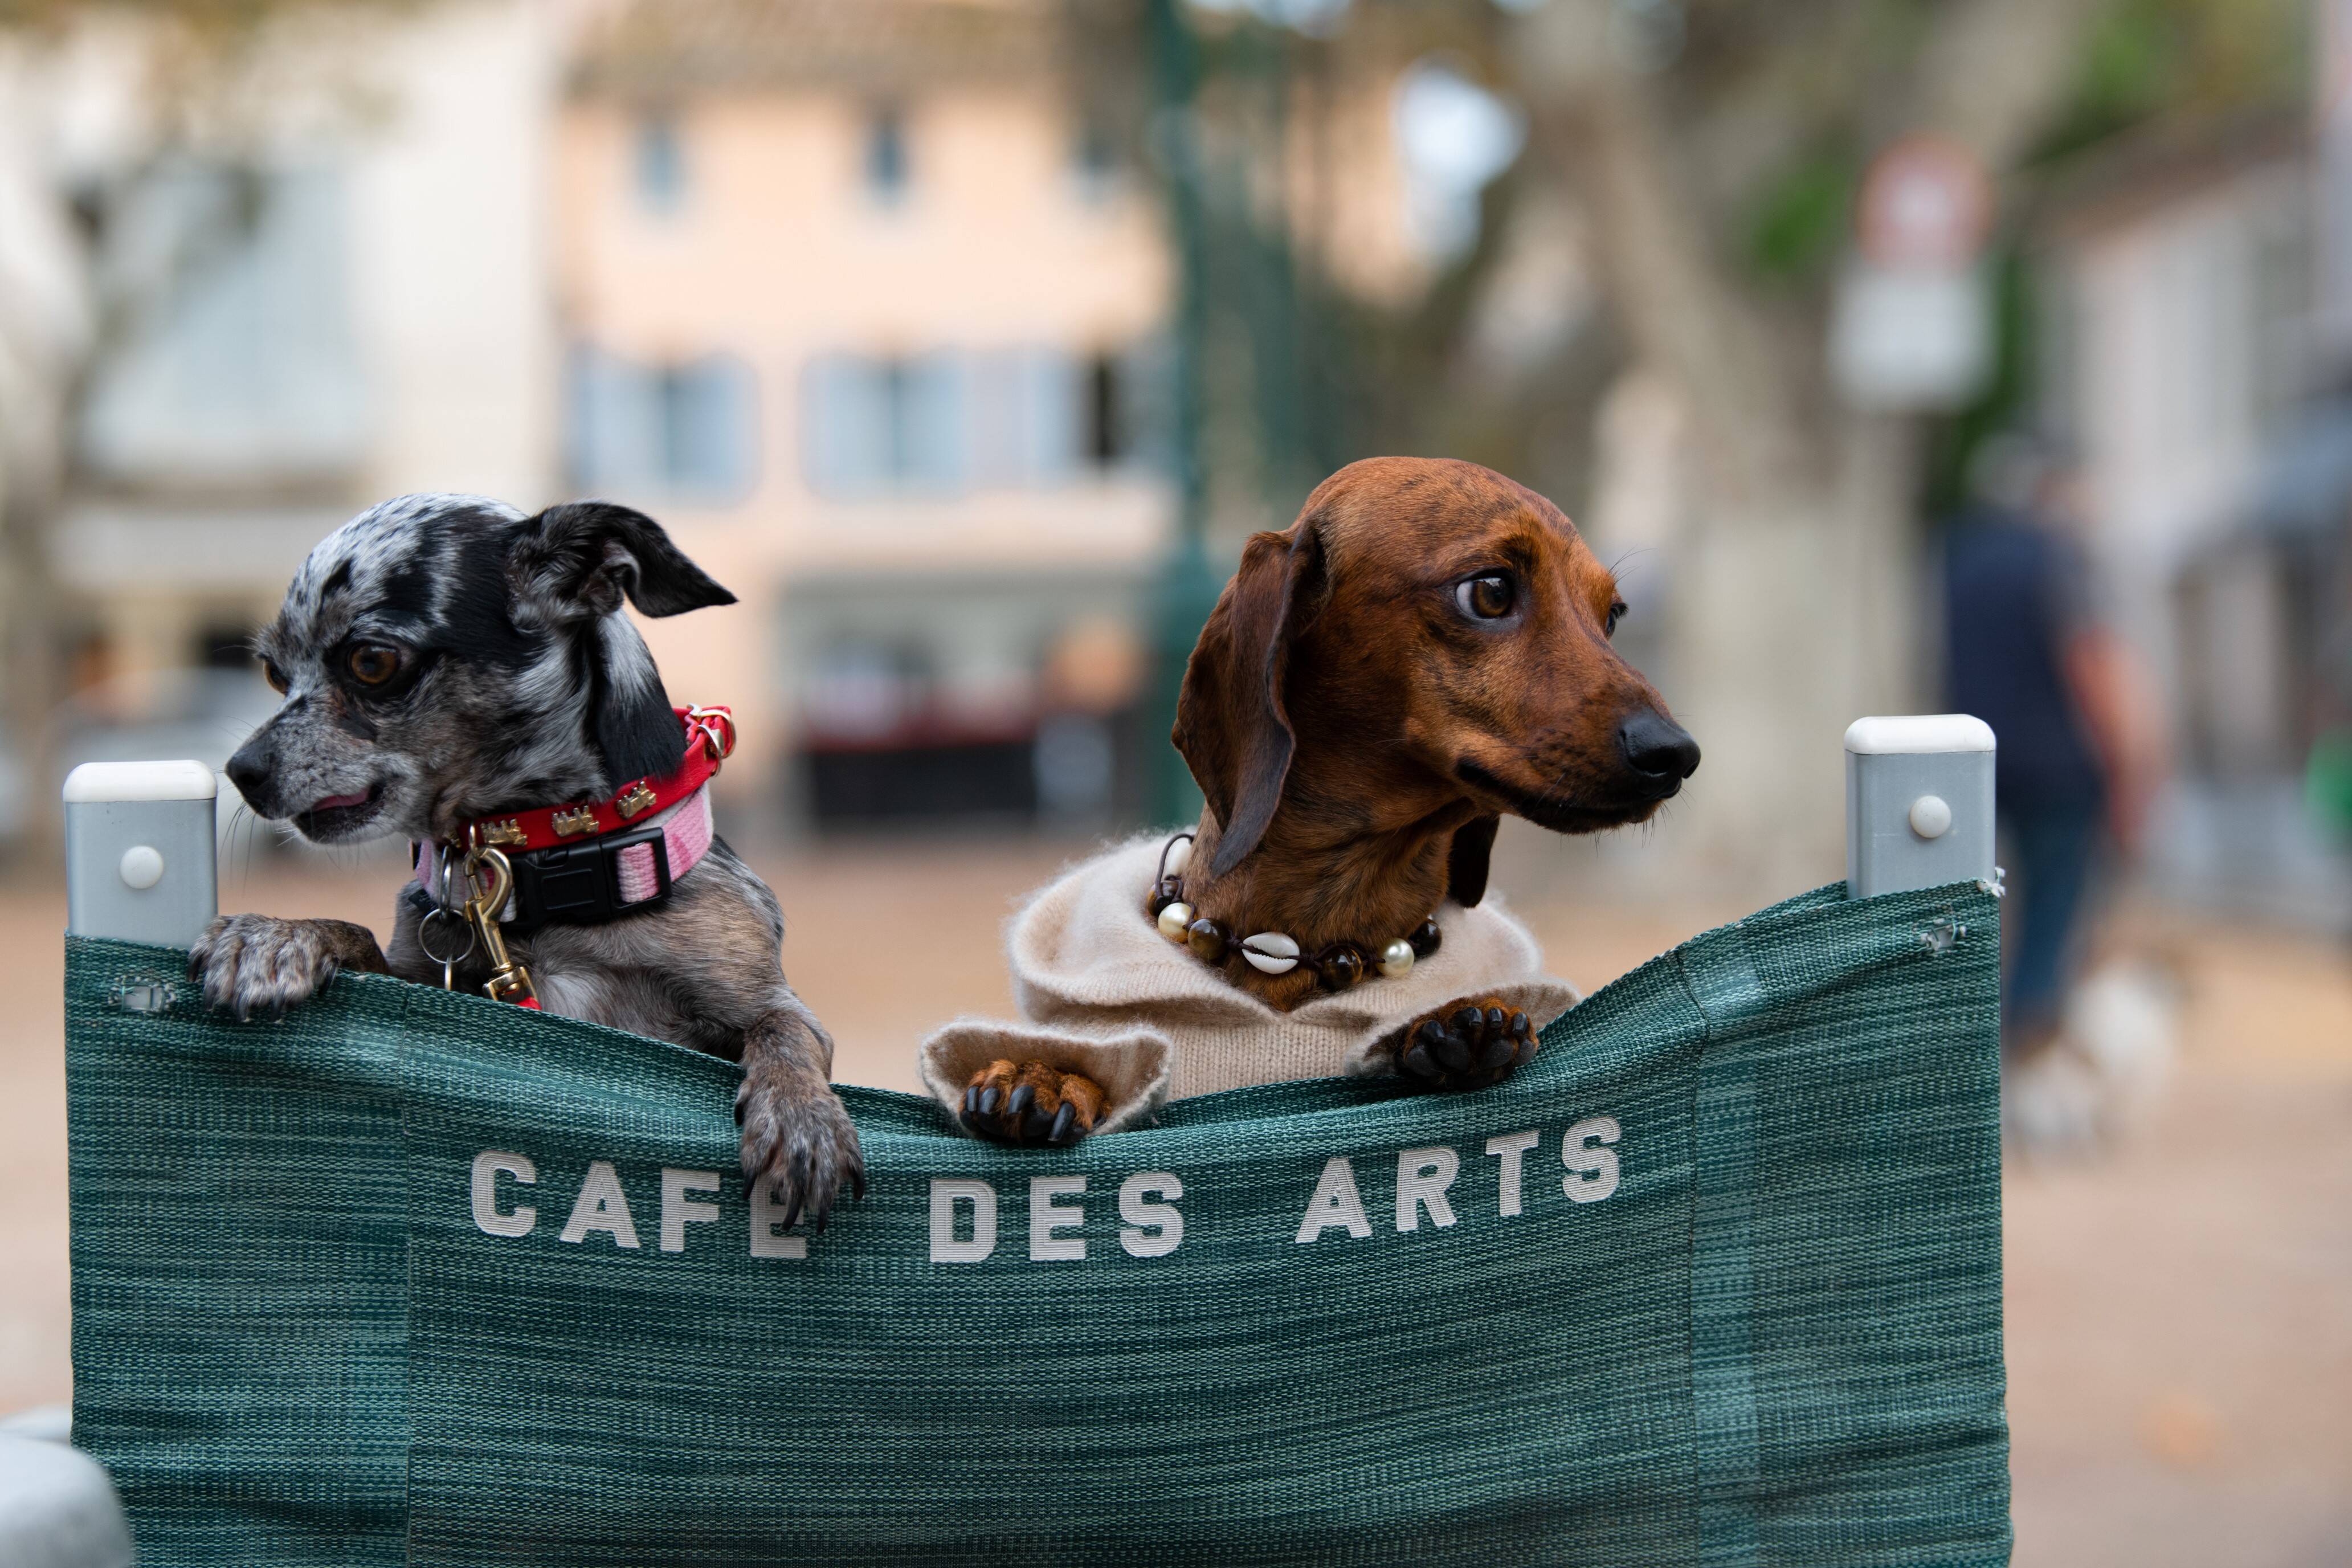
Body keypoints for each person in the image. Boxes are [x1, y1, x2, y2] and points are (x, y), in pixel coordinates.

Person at [1941, 434, 2164, 1143]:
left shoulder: (1957, 557)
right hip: (2063, 767)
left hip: (1975, 763)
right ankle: (2033, 1074)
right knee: (2053, 920)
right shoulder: (2059, 556)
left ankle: (1980, 1066)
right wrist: (2130, 768)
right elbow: (2090, 661)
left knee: (1981, 916)